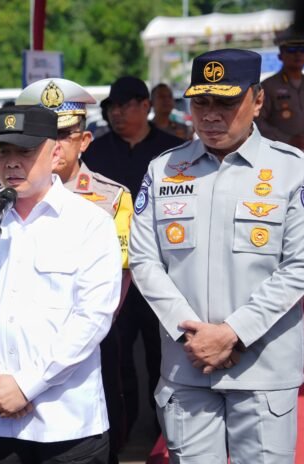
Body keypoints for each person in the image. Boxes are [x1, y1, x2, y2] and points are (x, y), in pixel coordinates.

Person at [130, 48, 304, 463]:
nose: (210, 115)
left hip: (262, 371)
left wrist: (233, 332)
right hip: (187, 366)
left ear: (258, 101)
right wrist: (193, 336)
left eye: (225, 103)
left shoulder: (294, 170)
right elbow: (145, 260)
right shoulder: (163, 170)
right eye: (200, 102)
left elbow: (300, 267)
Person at [0, 105, 122, 464]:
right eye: (1, 151)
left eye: (24, 151)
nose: (11, 163)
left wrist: (27, 386)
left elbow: (92, 318)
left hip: (67, 422)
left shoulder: (90, 222)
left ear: (55, 153)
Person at [17, 78, 134, 463]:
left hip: (90, 340)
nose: (53, 144)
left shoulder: (111, 197)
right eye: (43, 134)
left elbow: (120, 279)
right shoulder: (12, 195)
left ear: (84, 140)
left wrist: (82, 333)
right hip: (22, 339)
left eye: (63, 134)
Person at [81, 76, 184, 440]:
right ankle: (121, 434)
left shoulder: (174, 152)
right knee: (117, 355)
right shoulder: (94, 153)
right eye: (111, 107)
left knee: (163, 354)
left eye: (124, 105)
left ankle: (163, 433)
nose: (117, 113)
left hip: (164, 272)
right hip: (112, 274)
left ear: (145, 106)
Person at [257, 31, 304, 296]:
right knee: (280, 215)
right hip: (280, 158)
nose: (298, 55)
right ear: (281, 54)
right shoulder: (268, 87)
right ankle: (278, 274)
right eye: (291, 50)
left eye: (302, 49)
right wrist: (289, 140)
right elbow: (258, 121)